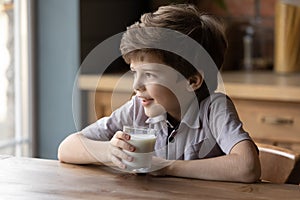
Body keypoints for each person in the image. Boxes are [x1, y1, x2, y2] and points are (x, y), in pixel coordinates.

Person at [58, 4, 261, 183]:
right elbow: (66, 148)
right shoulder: (137, 108)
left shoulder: (214, 109)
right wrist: (109, 152)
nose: (137, 85)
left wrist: (166, 166)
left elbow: (248, 167)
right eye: (135, 73)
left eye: (149, 74)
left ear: (192, 81)